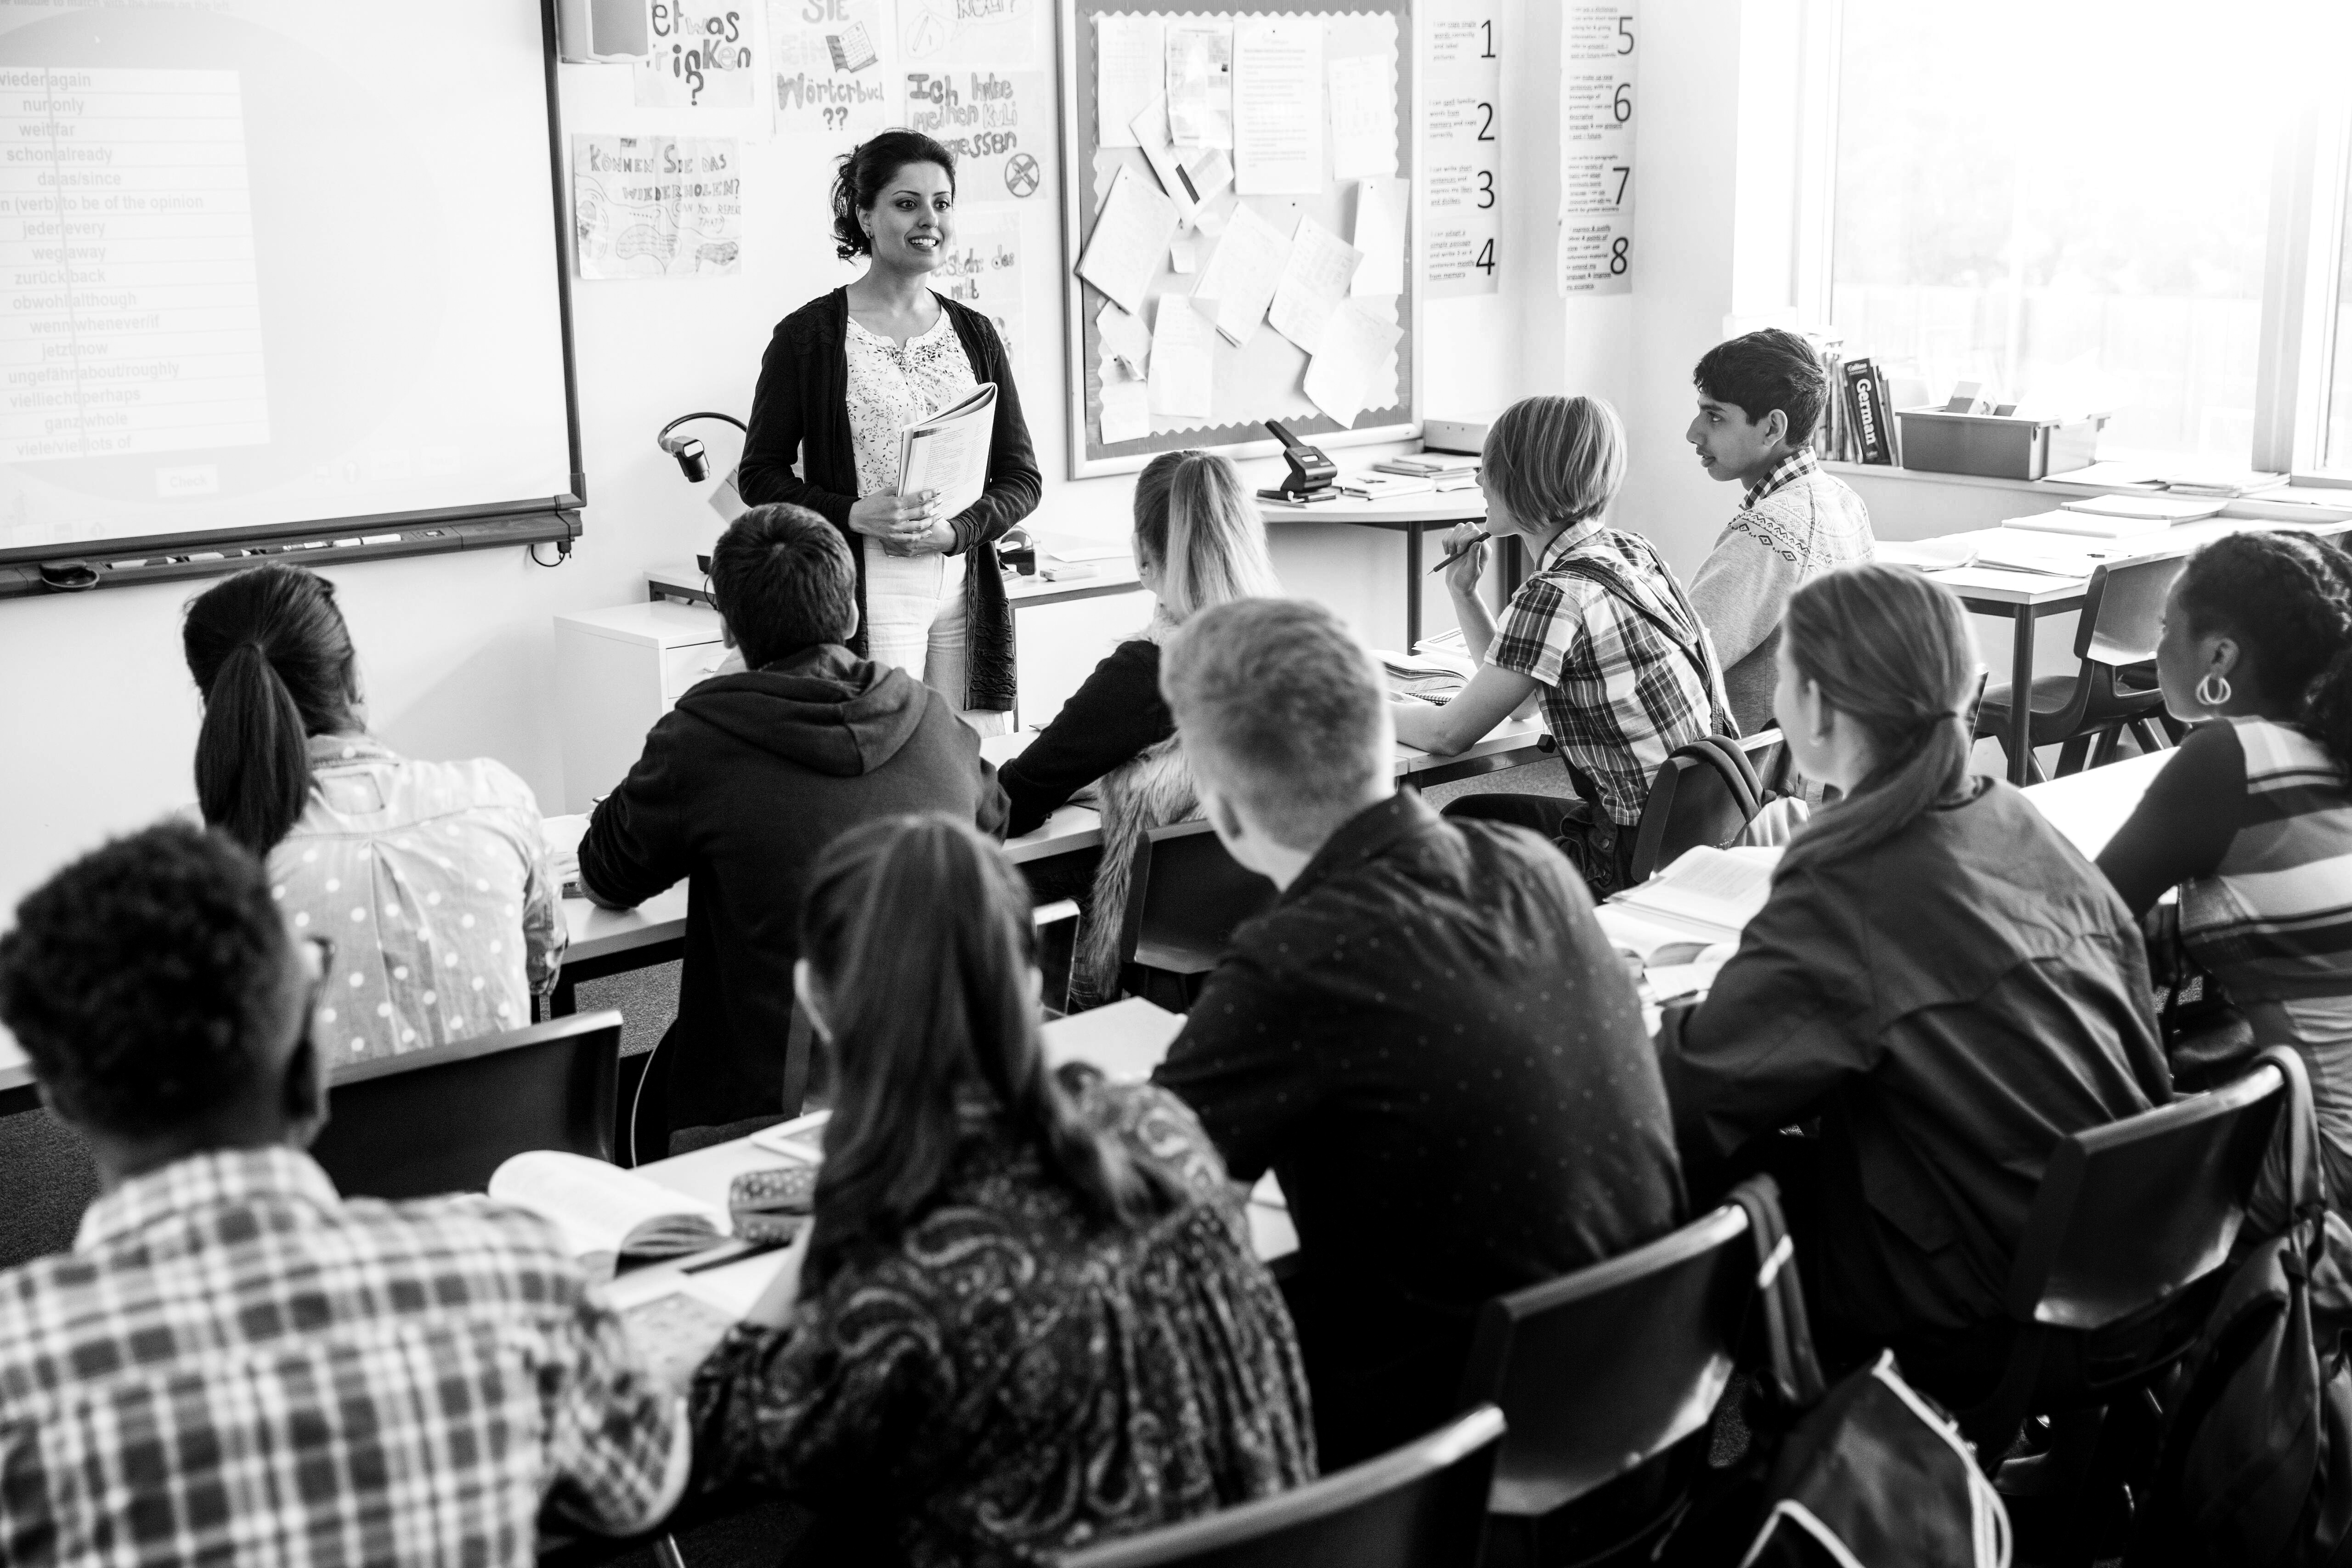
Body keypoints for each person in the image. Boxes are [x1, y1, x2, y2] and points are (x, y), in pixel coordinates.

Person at [0, 823, 687, 1568]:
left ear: (60, 1095)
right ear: (305, 1039)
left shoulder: (20, 1370)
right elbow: (640, 1488)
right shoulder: (512, 1272)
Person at [690, 815, 1313, 1568]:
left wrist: (828, 1218)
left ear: (814, 1000)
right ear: (1028, 982)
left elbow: (716, 1430)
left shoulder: (900, 1261)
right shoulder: (1160, 1126)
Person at [1151, 597, 1684, 1469]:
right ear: (1377, 738)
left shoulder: (1293, 962)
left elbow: (1141, 1192)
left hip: (1444, 1468)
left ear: (1223, 807)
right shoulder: (1537, 870)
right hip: (1649, 1417)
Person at [1656, 565, 2168, 1410]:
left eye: (1783, 674)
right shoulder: (2010, 816)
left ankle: (1786, 1476)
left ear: (1818, 708)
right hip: (2132, 1260)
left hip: (1984, 1303)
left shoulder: (1853, 880)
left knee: (1694, 1175)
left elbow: (1690, 1095)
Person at [579, 504, 1008, 1151]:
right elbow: (991, 826)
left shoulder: (702, 735)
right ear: (854, 613)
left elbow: (604, 875)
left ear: (727, 627)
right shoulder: (930, 717)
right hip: (932, 1091)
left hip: (755, 1122)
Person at [181, 562, 563, 1062]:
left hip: (322, 1141)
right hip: (512, 1136)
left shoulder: (205, 870)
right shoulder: (494, 799)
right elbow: (542, 968)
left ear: (219, 711)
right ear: (354, 681)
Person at [736, 130, 1041, 734]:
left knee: (973, 766)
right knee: (885, 755)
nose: (930, 219)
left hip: (965, 582)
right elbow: (759, 476)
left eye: (943, 203)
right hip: (867, 583)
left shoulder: (976, 334)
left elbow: (1022, 477)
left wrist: (959, 532)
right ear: (866, 216)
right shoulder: (810, 338)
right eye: (908, 203)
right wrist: (853, 513)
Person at [2097, 532, 2352, 1202]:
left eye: (2163, 628)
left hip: (2327, 1166)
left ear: (2219, 655)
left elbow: (2079, 918)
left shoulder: (2228, 757)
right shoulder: (2327, 746)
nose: (2155, 649)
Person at [1391, 395, 1733, 895]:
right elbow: (1524, 703)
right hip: (1698, 836)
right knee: (1472, 814)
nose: (1478, 481)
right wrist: (1463, 594)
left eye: (1487, 468)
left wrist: (1354, 702)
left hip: (1625, 859)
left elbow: (1448, 734)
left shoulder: (1556, 592)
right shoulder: (1631, 550)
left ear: (1523, 479)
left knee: (1458, 833)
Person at [996, 449, 1282, 1006]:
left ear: (1143, 557)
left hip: (1149, 958)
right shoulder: (1296, 652)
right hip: (1264, 944)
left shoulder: (1145, 674)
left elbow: (1014, 800)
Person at [1685, 328, 1876, 733]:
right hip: (1815, 773)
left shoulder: (1769, 531)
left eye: (1715, 415)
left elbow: (1680, 662)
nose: (1694, 433)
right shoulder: (1845, 502)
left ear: (1772, 428)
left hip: (1744, 783)